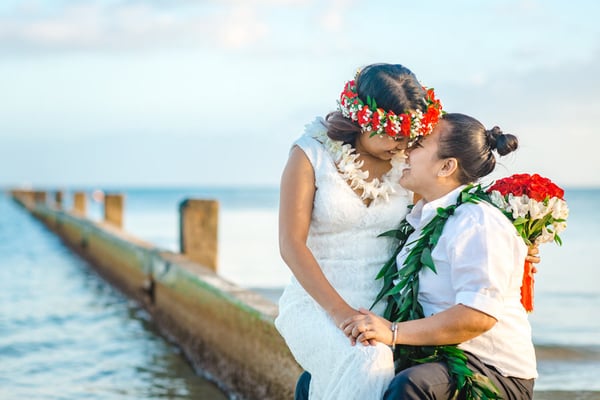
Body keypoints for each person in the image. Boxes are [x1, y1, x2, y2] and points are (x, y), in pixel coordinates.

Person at [274, 63, 443, 399]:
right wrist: (341, 313)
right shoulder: (311, 154)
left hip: (384, 313)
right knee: (371, 358)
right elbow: (291, 244)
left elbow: (444, 215)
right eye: (394, 134)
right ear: (363, 120)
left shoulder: (409, 164)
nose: (402, 144)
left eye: (409, 135)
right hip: (317, 307)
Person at [340, 113, 537, 399]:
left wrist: (392, 332)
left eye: (418, 144)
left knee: (413, 385)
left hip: (494, 372)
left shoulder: (477, 222)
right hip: (433, 358)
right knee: (331, 374)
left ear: (446, 166)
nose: (405, 150)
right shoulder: (424, 219)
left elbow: (478, 316)